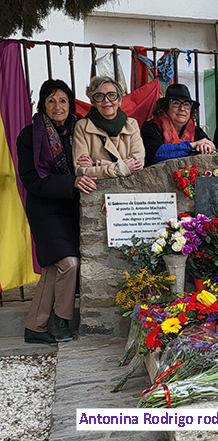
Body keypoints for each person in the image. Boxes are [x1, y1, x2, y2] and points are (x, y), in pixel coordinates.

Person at [17, 79, 98, 345]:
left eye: (63, 100)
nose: (58, 106)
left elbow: (93, 162)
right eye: (51, 100)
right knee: (68, 263)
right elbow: (32, 180)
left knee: (54, 268)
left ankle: (35, 326)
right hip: (45, 208)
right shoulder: (29, 136)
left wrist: (90, 164)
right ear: (43, 104)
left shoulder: (80, 131)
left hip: (74, 208)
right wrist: (72, 181)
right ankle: (60, 320)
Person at [73, 76, 145, 178]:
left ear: (119, 101)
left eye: (111, 95)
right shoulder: (82, 126)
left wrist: (97, 164)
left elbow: (137, 164)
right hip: (98, 190)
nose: (106, 100)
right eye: (99, 96)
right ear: (93, 102)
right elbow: (80, 170)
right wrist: (119, 168)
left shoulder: (131, 124)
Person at [141, 83, 215, 166]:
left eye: (186, 104)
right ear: (166, 107)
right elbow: (156, 154)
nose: (182, 108)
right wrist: (192, 146)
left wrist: (208, 147)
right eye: (176, 103)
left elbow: (215, 154)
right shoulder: (151, 127)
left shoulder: (197, 131)